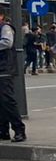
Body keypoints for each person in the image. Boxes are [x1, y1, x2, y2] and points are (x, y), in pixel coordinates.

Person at [0, 11, 26, 142]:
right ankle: (3, 130)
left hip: (5, 68)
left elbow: (7, 43)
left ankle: (19, 129)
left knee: (7, 101)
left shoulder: (5, 27)